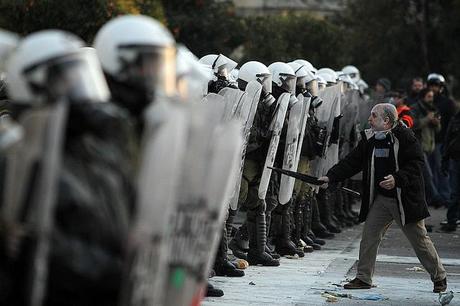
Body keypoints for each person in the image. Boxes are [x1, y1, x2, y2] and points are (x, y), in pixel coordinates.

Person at [318, 103, 447, 293]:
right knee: (369, 237)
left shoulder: (405, 137)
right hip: (381, 200)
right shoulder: (370, 138)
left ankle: (439, 277)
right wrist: (330, 177)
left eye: (373, 116)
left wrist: (397, 179)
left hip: (404, 200)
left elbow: (416, 164)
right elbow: (352, 162)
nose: (369, 120)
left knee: (419, 240)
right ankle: (363, 278)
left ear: (386, 121)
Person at [411, 88, 444, 207]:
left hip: (430, 147)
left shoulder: (433, 109)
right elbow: (412, 125)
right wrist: (427, 119)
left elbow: (438, 130)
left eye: (432, 97)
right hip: (419, 147)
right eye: (429, 96)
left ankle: (429, 201)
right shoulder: (415, 108)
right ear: (423, 97)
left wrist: (436, 123)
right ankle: (436, 198)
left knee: (429, 175)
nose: (431, 99)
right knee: (427, 175)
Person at [427, 74, 456, 206]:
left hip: (441, 141)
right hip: (428, 141)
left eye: (436, 85)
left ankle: (445, 196)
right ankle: (434, 196)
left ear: (441, 87)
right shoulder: (427, 101)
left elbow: (452, 123)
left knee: (442, 169)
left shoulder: (448, 103)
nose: (433, 88)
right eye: (431, 85)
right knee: (430, 170)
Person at [441, 109, 460, 232]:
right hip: (456, 159)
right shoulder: (456, 119)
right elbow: (448, 140)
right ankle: (452, 220)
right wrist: (445, 160)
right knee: (455, 193)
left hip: (455, 159)